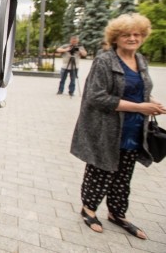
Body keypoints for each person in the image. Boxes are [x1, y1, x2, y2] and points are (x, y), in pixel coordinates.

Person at [70, 13, 166, 240]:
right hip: (106, 128)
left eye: (136, 34)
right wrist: (140, 107)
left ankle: (117, 213)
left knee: (124, 175)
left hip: (133, 129)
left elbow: (137, 90)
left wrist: (151, 102)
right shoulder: (105, 61)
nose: (132, 38)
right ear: (116, 37)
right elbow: (96, 97)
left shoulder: (140, 60)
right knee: (100, 171)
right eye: (126, 34)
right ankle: (89, 209)